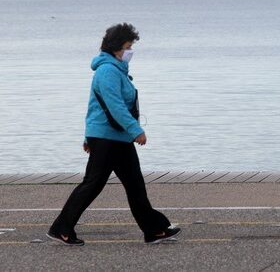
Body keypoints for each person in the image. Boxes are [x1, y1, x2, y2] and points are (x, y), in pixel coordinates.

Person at [47, 23, 180, 245]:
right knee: (92, 184)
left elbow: (96, 108)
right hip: (109, 139)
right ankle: (62, 227)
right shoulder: (107, 71)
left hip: (115, 137)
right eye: (128, 46)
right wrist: (136, 130)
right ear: (116, 47)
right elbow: (114, 106)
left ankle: (154, 230)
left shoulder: (116, 70)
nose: (131, 51)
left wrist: (90, 136)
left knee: (134, 184)